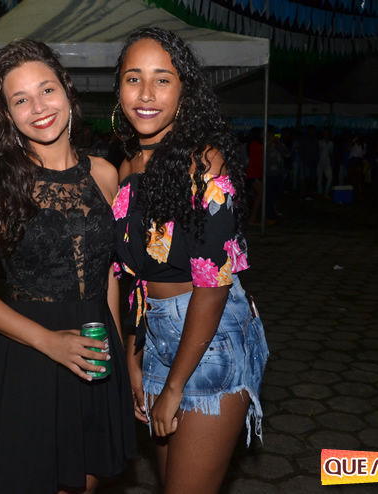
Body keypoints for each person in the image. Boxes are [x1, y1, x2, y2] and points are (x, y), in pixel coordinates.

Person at [0, 39, 136, 494]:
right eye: (20, 100)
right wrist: (48, 342)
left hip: (95, 350)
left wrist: (117, 352)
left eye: (46, 90)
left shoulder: (106, 174)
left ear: (67, 91)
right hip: (30, 353)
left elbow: (108, 272)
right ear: (7, 114)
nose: (38, 107)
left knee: (86, 483)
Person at [111, 27, 268, 493]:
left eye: (162, 80)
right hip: (154, 334)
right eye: (133, 78)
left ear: (185, 92)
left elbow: (213, 283)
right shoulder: (128, 166)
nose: (146, 93)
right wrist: (134, 354)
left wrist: (174, 386)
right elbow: (134, 277)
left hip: (209, 339)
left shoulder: (204, 164)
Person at [316, 129, 333, 199]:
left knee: (330, 177)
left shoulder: (331, 143)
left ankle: (326, 192)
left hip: (327, 163)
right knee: (319, 178)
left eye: (327, 134)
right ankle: (320, 192)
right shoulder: (319, 142)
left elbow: (331, 153)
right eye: (324, 134)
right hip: (319, 162)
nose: (325, 135)